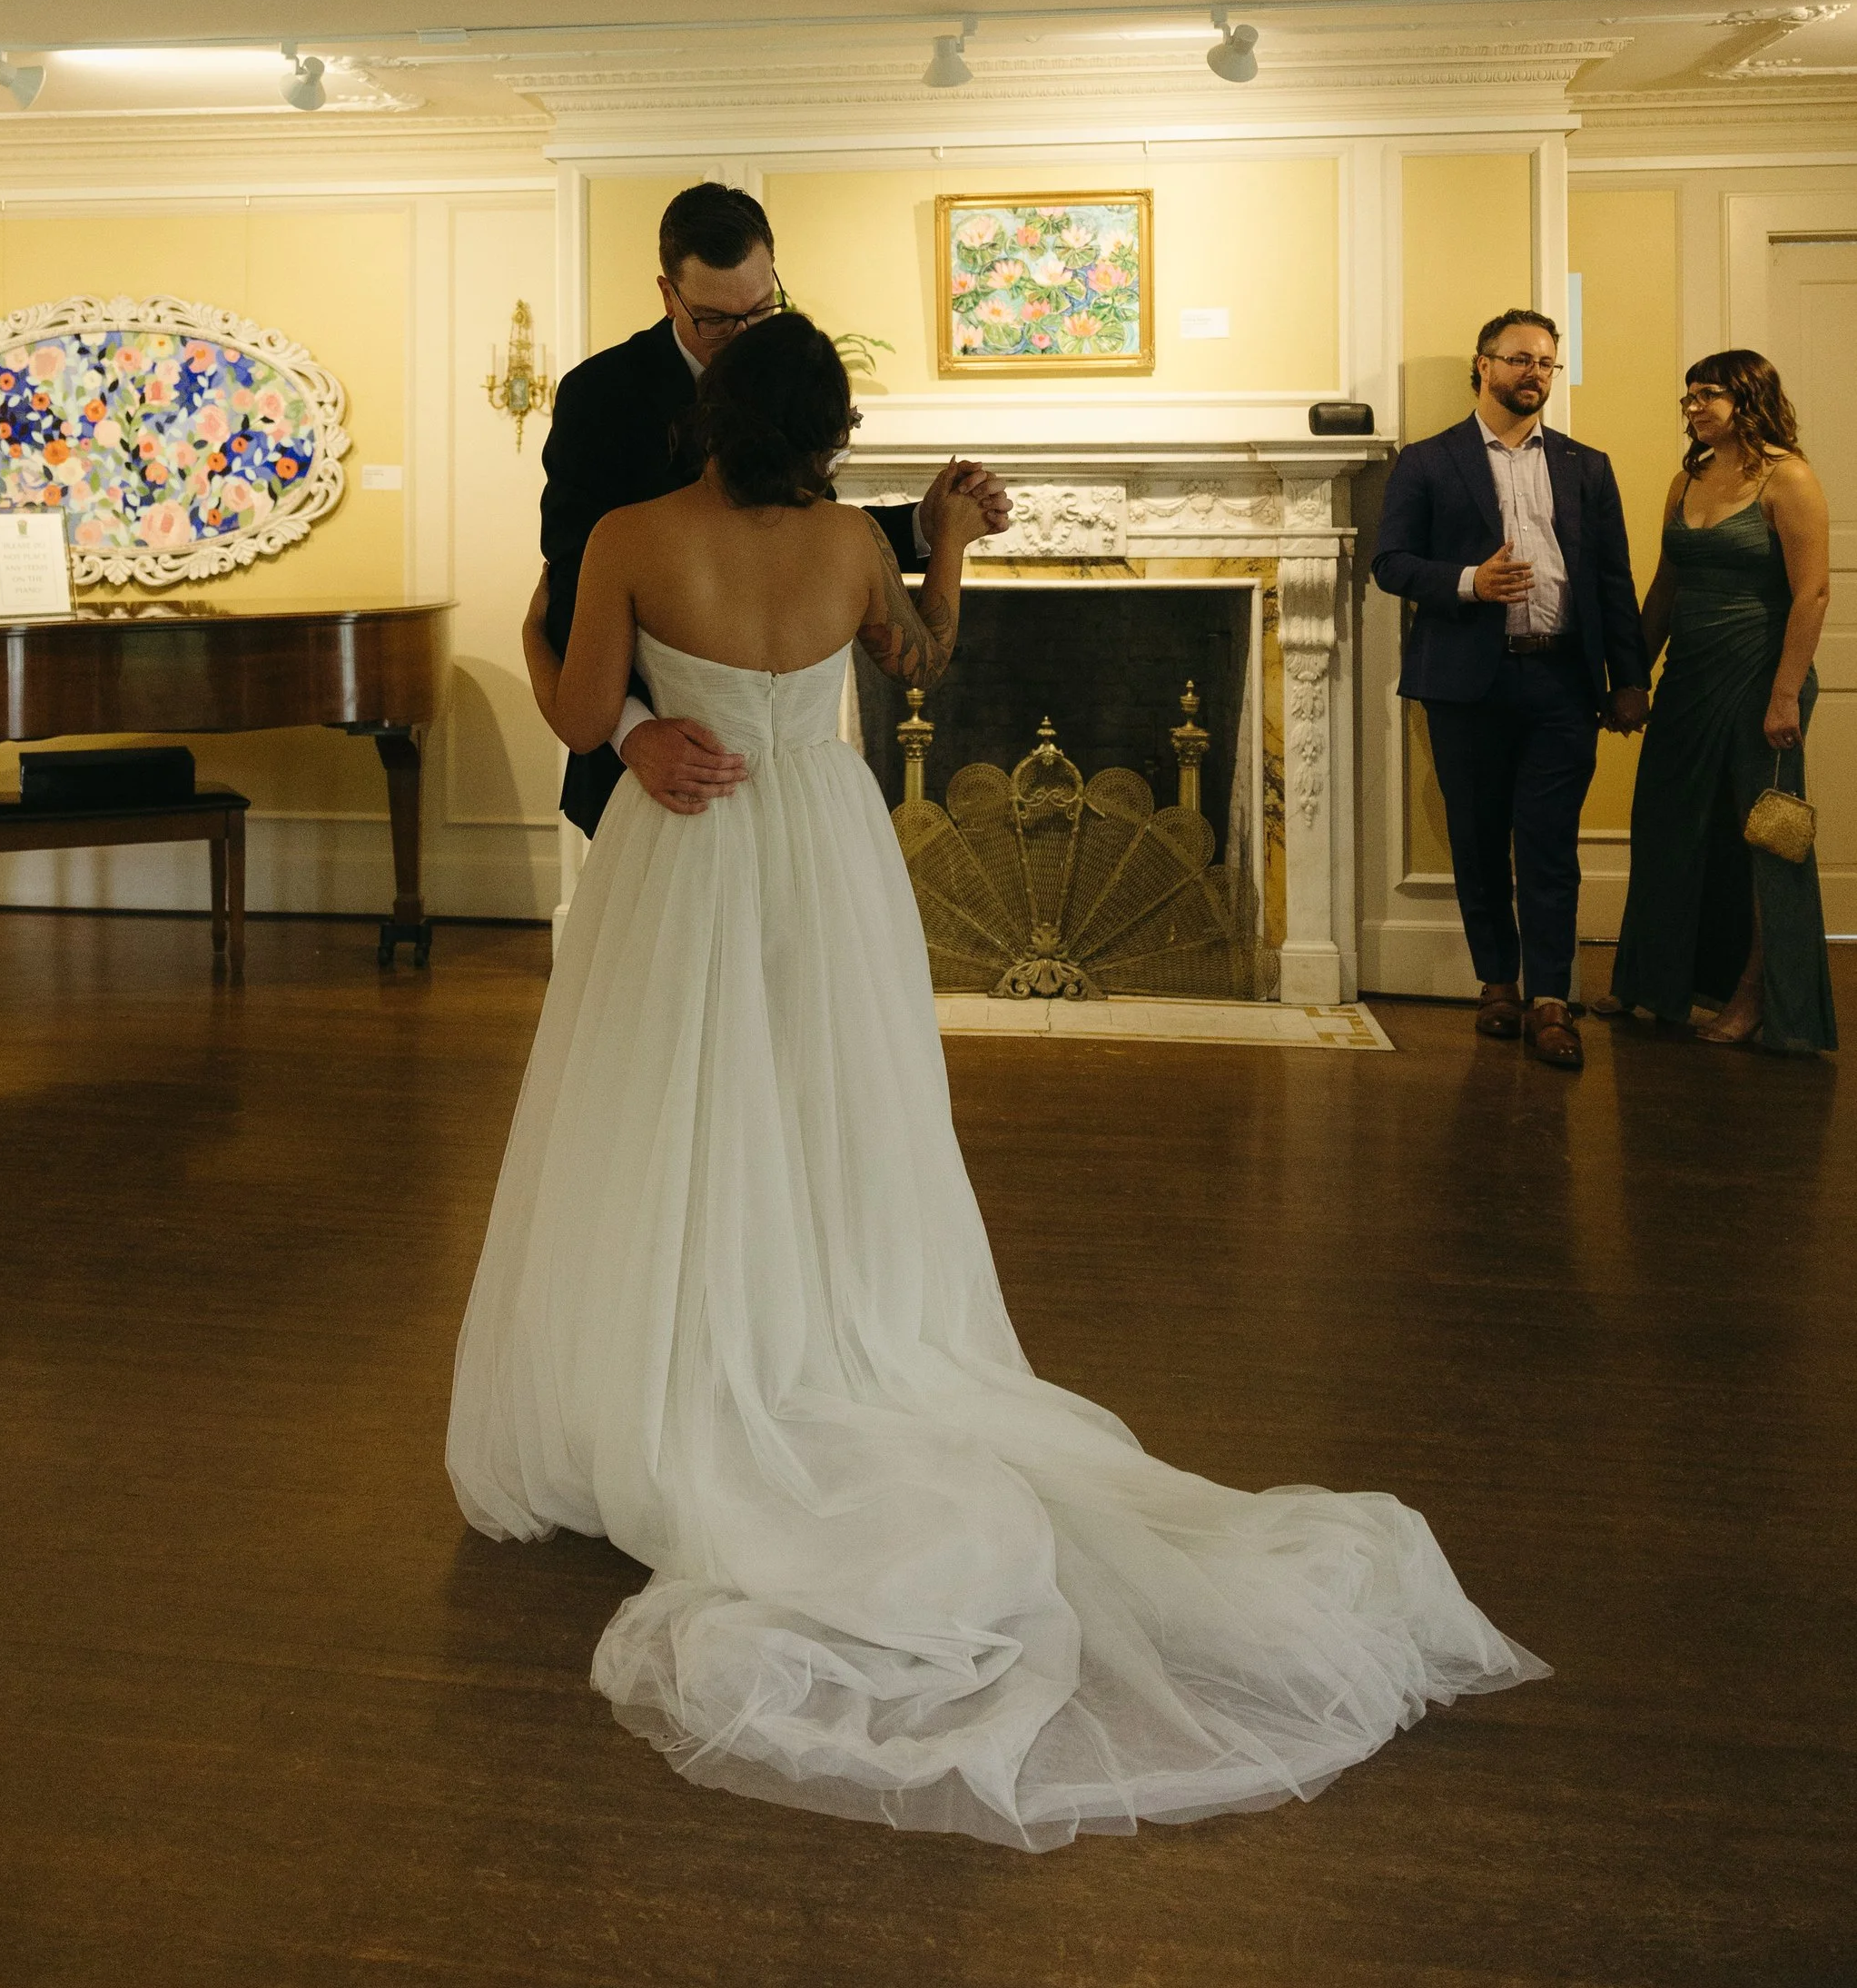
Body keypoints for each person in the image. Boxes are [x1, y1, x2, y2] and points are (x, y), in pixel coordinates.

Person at [448, 313, 1542, 1850]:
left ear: (710, 407)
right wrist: (948, 538)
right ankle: (823, 1325)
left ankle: (692, 1351)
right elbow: (928, 662)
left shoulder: (630, 533)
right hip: (825, 839)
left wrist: (542, 632)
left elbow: (576, 720)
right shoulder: (845, 543)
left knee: (677, 1104)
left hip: (689, 843)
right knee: (831, 1107)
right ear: (826, 433)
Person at [538, 181, 1009, 837]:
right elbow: (569, 583)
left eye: (760, 311)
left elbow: (807, 532)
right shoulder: (600, 396)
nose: (742, 337)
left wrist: (928, 529)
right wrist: (634, 734)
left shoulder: (788, 374)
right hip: (653, 776)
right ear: (668, 294)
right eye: (716, 321)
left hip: (797, 795)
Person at [1371, 310, 1651, 1070]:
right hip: (1466, 684)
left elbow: (1612, 581)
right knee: (1478, 840)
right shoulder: (1428, 461)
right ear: (1484, 364)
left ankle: (1553, 998)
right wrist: (1468, 581)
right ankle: (1498, 983)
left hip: (1563, 680)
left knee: (1550, 844)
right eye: (1521, 359)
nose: (1536, 373)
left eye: (1547, 363)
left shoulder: (1587, 466)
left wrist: (1629, 679)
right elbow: (1390, 563)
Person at [1610, 350, 1835, 1054]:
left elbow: (1814, 592)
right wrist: (1632, 676)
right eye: (1689, 398)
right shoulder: (1689, 476)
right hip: (1689, 677)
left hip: (1763, 680)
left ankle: (1757, 1000)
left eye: (1709, 396)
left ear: (1750, 397)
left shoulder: (1788, 476)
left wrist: (1785, 694)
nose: (1695, 409)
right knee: (1665, 824)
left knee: (1769, 841)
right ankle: (1654, 981)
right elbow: (1665, 589)